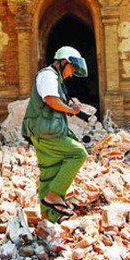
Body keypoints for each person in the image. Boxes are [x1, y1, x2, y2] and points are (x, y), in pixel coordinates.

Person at [21, 46, 91, 222]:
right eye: (72, 68)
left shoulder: (55, 79)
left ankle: (48, 219)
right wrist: (69, 109)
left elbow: (55, 103)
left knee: (49, 172)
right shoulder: (48, 75)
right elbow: (51, 100)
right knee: (78, 153)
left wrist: (71, 109)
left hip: (43, 131)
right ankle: (54, 196)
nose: (72, 73)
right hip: (46, 132)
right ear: (64, 62)